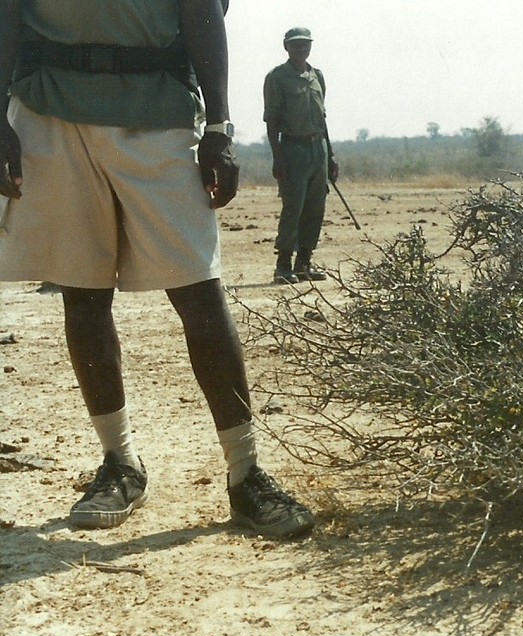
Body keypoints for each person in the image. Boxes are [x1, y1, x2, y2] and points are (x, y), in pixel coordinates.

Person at [0, 0, 315, 539]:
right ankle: (120, 463)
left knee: (199, 291)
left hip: (160, 109)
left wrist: (219, 126)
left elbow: (202, 12)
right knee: (82, 292)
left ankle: (246, 474)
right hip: (49, 108)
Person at [263, 26, 339, 285]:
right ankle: (283, 265)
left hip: (318, 148)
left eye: (305, 44)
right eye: (296, 44)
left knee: (316, 207)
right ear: (286, 47)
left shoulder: (317, 75)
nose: (301, 48)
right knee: (293, 207)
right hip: (292, 149)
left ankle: (304, 263)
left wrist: (330, 156)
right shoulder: (277, 77)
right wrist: (278, 157)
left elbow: (322, 118)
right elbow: (272, 120)